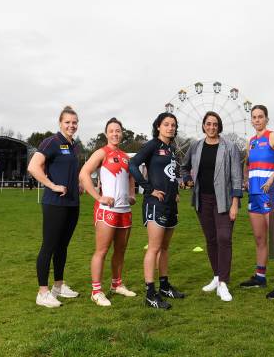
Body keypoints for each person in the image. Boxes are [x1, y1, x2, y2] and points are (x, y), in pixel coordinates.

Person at [180, 111, 243, 302]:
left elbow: (236, 177)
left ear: (219, 126)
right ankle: (216, 277)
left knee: (224, 238)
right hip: (203, 200)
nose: (212, 127)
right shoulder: (196, 146)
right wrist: (187, 179)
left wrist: (235, 203)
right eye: (208, 124)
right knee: (211, 239)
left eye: (215, 124)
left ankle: (223, 283)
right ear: (204, 126)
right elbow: (184, 166)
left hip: (223, 200)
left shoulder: (230, 147)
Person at [79, 117, 137, 307]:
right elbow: (84, 173)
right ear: (106, 134)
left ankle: (116, 284)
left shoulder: (126, 157)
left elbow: (130, 177)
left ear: (122, 133)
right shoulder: (101, 153)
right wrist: (98, 197)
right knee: (102, 251)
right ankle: (96, 291)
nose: (115, 134)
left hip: (125, 210)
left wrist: (131, 194)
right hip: (106, 210)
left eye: (118, 131)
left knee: (120, 250)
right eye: (111, 131)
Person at [28, 106, 82, 308]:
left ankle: (58, 286)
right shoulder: (51, 142)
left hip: (72, 203)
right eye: (67, 122)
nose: (71, 125)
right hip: (54, 203)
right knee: (49, 246)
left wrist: (76, 185)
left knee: (62, 246)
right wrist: (52, 185)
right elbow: (33, 167)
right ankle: (42, 293)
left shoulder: (74, 145)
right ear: (60, 123)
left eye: (74, 122)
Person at [129, 112, 185, 310]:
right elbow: (132, 164)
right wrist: (148, 187)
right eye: (166, 124)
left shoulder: (172, 149)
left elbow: (171, 174)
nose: (170, 127)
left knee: (165, 248)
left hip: (171, 204)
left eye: (173, 125)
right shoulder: (152, 145)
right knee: (153, 247)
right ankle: (150, 294)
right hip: (155, 203)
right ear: (158, 127)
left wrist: (176, 191)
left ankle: (164, 286)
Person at [240, 104, 274, 299]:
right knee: (260, 238)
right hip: (254, 195)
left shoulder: (272, 137)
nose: (257, 120)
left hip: (269, 193)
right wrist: (246, 179)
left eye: (260, 116)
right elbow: (248, 163)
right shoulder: (251, 141)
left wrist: (273, 177)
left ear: (266, 119)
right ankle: (260, 276)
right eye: (254, 117)